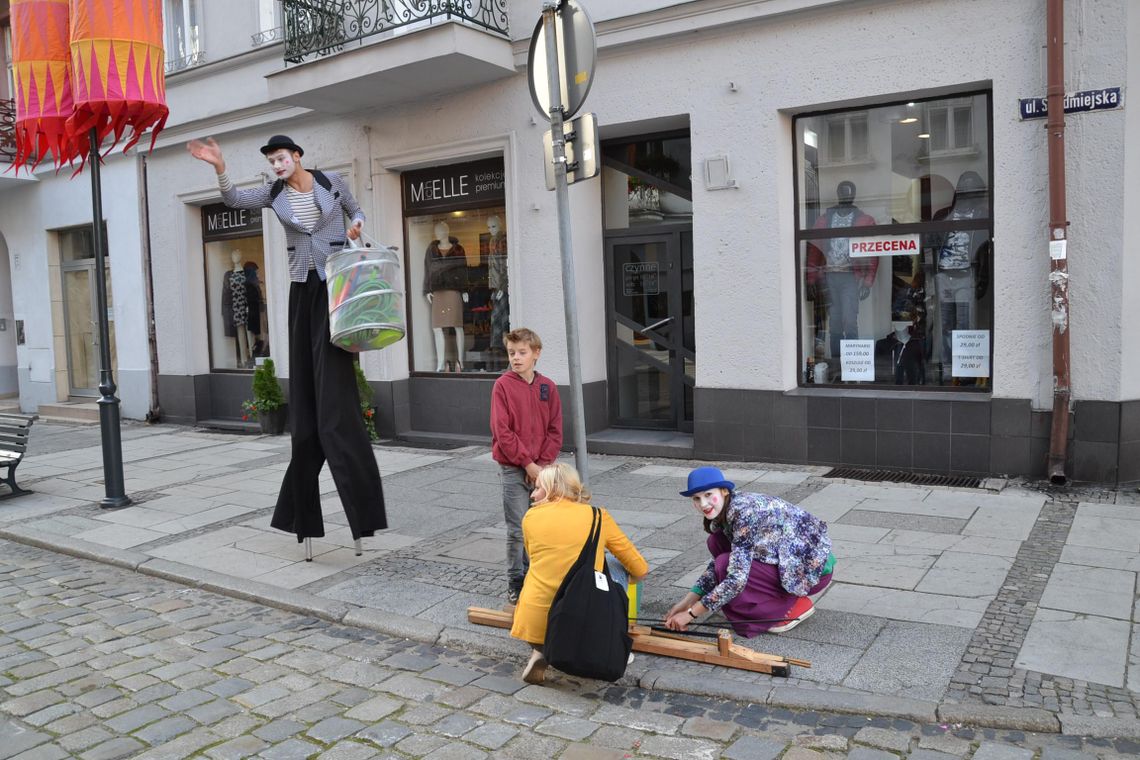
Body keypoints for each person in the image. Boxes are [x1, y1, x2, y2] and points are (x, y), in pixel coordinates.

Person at [187, 135, 387, 547]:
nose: (277, 165)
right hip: (302, 286)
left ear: (297, 156)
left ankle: (356, 503)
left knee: (335, 395)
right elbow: (234, 200)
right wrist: (219, 166)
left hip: (337, 282)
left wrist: (358, 224)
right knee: (307, 402)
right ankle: (302, 512)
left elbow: (356, 210)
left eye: (281, 158)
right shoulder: (274, 192)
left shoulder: (330, 182)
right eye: (272, 161)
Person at [510, 463, 648, 684]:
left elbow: (535, 559)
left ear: (553, 489)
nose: (533, 495)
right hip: (580, 622)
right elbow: (640, 568)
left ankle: (542, 650)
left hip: (534, 623)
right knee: (614, 565)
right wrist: (629, 579)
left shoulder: (530, 518)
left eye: (537, 488)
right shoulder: (598, 517)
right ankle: (611, 634)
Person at [665, 467, 835, 638]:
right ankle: (773, 599)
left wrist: (691, 614)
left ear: (724, 491)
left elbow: (735, 580)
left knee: (725, 564)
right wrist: (687, 603)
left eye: (708, 495)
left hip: (814, 573)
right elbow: (713, 568)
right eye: (696, 498)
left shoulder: (744, 513)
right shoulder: (724, 512)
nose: (703, 504)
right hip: (788, 561)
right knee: (717, 543)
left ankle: (791, 606)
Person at [490, 327, 563, 605]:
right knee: (517, 528)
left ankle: (536, 577)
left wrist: (542, 466)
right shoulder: (503, 386)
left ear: (536, 354)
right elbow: (502, 431)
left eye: (522, 352)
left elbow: (555, 429)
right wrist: (527, 464)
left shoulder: (548, 387)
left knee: (539, 527)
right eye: (512, 353)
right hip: (513, 468)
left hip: (542, 471)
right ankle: (516, 581)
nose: (516, 358)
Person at [806, 181, 879, 360]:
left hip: (850, 277)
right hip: (830, 277)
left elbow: (873, 252)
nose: (846, 196)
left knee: (850, 321)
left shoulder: (865, 220)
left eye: (849, 193)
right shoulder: (824, 220)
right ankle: (837, 364)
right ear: (837, 194)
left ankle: (852, 365)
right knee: (835, 323)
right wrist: (811, 278)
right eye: (843, 192)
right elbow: (814, 251)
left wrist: (868, 281)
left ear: (854, 195)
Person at [933, 170, 990, 381]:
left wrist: (983, 277)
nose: (967, 190)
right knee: (946, 325)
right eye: (963, 185)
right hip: (944, 276)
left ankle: (965, 371)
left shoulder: (982, 215)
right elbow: (930, 243)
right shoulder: (943, 215)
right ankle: (948, 370)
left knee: (965, 324)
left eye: (971, 186)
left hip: (967, 275)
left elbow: (986, 250)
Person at [424, 220, 469, 372]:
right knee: (437, 327)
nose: (440, 233)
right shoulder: (431, 250)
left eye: (443, 230)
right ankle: (441, 363)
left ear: (447, 231)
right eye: (437, 230)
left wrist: (464, 290)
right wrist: (427, 289)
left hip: (453, 290)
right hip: (437, 291)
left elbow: (463, 269)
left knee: (457, 325)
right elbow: (427, 269)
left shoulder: (458, 249)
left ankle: (460, 362)